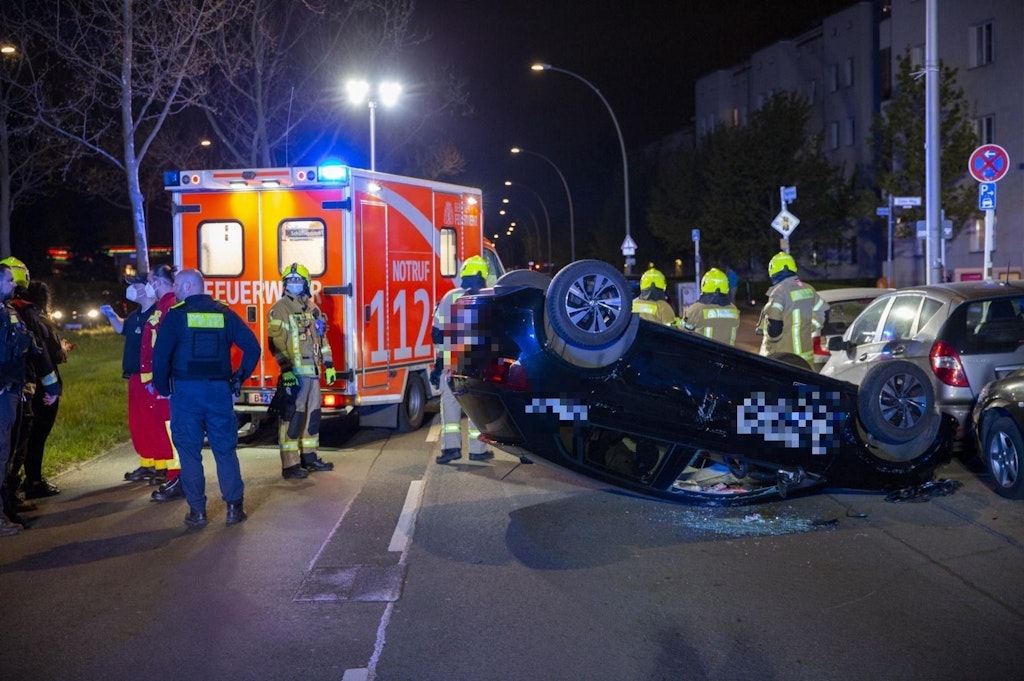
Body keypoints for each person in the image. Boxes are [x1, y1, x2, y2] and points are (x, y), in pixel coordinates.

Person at [152, 269, 260, 528]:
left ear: (189, 286)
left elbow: (160, 357)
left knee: (189, 452)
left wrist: (163, 388)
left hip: (185, 393)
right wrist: (238, 378)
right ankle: (234, 509)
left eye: (177, 284)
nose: (174, 288)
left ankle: (197, 512)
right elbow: (252, 347)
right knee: (225, 450)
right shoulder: (224, 313)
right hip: (219, 392)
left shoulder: (176, 316)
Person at [0, 264, 60, 535]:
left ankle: (6, 510)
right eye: (9, 280)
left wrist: (50, 384)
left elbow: (33, 347)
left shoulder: (10, 311)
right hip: (5, 392)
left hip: (12, 392)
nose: (14, 285)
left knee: (6, 453)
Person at [267, 262, 336, 479]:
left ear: (306, 284)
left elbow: (322, 339)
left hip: (313, 372)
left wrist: (330, 364)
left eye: (298, 281)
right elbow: (275, 343)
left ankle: (309, 455)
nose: (294, 284)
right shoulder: (280, 309)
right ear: (284, 284)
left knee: (313, 414)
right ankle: (290, 464)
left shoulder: (314, 309)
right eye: (290, 281)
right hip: (295, 375)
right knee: (292, 417)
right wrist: (286, 369)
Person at [432, 255, 493, 464]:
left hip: (451, 360)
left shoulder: (450, 297)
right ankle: (477, 450)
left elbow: (437, 333)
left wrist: (439, 362)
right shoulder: (487, 298)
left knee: (449, 404)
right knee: (476, 404)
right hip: (477, 362)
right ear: (481, 276)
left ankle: (451, 449)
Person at [101, 274, 161, 483]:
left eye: (135, 284)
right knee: (139, 422)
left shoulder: (157, 314)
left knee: (154, 421)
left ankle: (161, 466)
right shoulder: (137, 315)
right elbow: (122, 328)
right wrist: (111, 316)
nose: (132, 288)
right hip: (135, 377)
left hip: (150, 379)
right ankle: (147, 464)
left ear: (148, 288)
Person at [138, 265, 184, 501]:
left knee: (172, 429)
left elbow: (165, 348)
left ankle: (178, 479)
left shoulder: (170, 307)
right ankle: (175, 476)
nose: (148, 286)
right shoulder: (163, 306)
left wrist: (160, 381)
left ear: (158, 281)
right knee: (167, 429)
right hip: (161, 382)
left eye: (149, 281)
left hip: (167, 384)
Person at [21, 281, 70, 499]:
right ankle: (34, 481)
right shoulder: (43, 323)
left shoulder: (23, 319)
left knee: (29, 436)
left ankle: (26, 478)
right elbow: (52, 357)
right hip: (45, 388)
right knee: (39, 435)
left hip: (29, 385)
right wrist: (63, 350)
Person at [757, 252, 827, 365]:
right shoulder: (808, 289)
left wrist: (772, 339)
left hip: (782, 359)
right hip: (806, 359)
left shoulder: (779, 292)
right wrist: (810, 326)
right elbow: (823, 311)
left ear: (773, 271)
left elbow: (774, 329)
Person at [682, 268, 741, 345]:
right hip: (727, 355)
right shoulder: (734, 310)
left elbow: (683, 333)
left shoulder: (696, 309)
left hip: (704, 356)